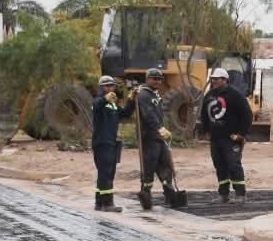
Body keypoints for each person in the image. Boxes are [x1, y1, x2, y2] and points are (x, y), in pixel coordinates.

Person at [197, 67, 254, 203]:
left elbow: (247, 115)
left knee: (233, 165)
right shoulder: (210, 95)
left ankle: (240, 194)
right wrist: (205, 130)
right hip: (216, 139)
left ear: (225, 80)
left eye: (217, 79)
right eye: (213, 79)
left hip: (231, 138)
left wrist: (241, 134)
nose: (214, 81)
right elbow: (204, 114)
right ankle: (223, 194)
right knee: (220, 165)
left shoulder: (235, 95)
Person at [135, 68, 186, 210]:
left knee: (166, 165)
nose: (157, 81)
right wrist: (159, 128)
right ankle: (145, 195)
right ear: (147, 79)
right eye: (154, 78)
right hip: (148, 137)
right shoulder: (143, 95)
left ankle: (170, 195)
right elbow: (148, 114)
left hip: (159, 137)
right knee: (149, 168)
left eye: (159, 79)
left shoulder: (155, 93)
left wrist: (163, 128)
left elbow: (158, 114)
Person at [90, 75, 130, 212]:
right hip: (102, 142)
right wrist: (104, 99)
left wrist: (131, 99)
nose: (110, 88)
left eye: (111, 85)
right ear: (101, 88)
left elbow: (125, 114)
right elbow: (96, 105)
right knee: (105, 172)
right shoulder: (98, 102)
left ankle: (99, 202)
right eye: (106, 86)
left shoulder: (113, 104)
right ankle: (108, 204)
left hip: (112, 142)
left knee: (108, 172)